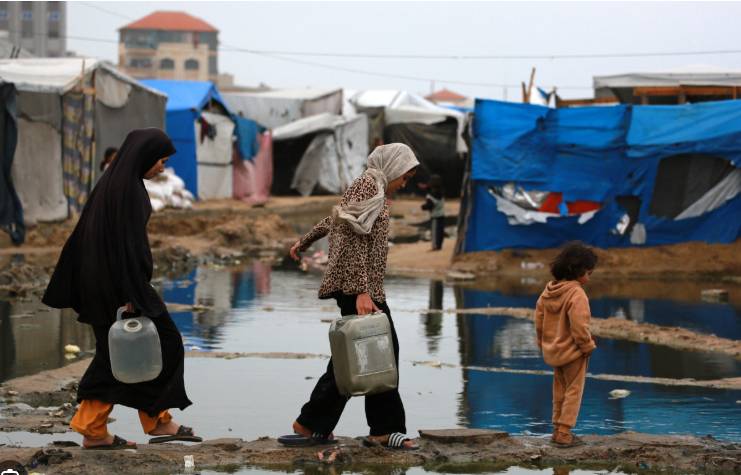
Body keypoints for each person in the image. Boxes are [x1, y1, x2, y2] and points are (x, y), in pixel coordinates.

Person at [42, 128, 199, 450]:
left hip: (104, 282)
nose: (162, 168)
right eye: (161, 160)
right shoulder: (127, 190)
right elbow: (125, 248)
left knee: (119, 353)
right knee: (161, 343)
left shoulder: (115, 185)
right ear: (145, 156)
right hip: (118, 285)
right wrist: (130, 296)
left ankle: (104, 427)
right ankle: (148, 421)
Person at [286, 143, 420, 450]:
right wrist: (362, 291)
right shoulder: (368, 185)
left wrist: (305, 241)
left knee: (354, 360)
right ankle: (384, 430)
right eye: (406, 176)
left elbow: (337, 220)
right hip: (358, 287)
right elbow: (355, 237)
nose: (405, 183)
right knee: (382, 355)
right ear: (394, 166)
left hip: (362, 287)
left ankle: (311, 423)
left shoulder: (372, 186)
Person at [534, 242, 598, 447]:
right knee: (573, 391)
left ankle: (556, 429)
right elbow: (580, 326)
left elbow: (539, 323)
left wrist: (542, 344)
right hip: (573, 352)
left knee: (559, 390)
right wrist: (587, 346)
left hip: (553, 351)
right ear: (577, 271)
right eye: (588, 273)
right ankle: (564, 432)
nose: (588, 278)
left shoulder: (547, 292)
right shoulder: (576, 294)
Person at [420, 174, 445, 251]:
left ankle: (435, 246)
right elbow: (431, 190)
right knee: (440, 232)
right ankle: (439, 246)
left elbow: (430, 205)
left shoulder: (431, 194)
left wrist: (423, 206)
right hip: (442, 215)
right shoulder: (440, 191)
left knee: (435, 232)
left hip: (435, 216)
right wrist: (426, 187)